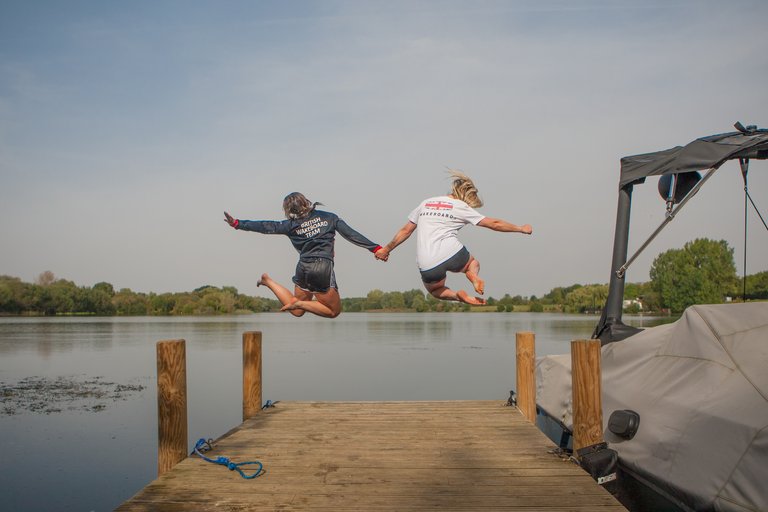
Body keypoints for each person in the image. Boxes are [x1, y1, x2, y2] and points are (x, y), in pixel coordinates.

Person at [375, 170, 532, 305]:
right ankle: (472, 275)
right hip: (452, 253)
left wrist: (386, 250)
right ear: (465, 196)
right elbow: (495, 224)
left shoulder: (425, 203)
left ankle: (458, 296)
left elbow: (405, 231)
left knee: (435, 290)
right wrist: (520, 228)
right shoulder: (461, 206)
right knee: (473, 263)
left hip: (428, 263)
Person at [224, 192, 387, 318]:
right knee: (333, 312)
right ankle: (298, 303)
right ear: (306, 202)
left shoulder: (289, 225)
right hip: (322, 268)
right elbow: (351, 234)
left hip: (303, 268)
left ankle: (268, 282)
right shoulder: (329, 217)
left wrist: (238, 224)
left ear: (288, 210)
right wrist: (375, 248)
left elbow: (265, 226)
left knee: (297, 312)